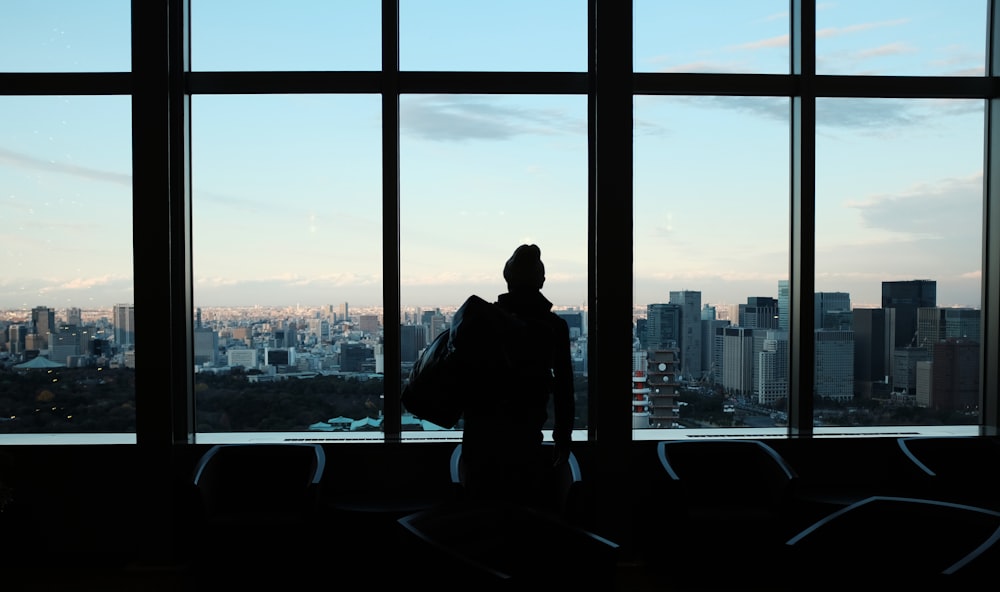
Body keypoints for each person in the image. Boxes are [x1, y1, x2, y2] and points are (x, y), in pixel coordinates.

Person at [459, 244, 576, 509]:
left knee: (480, 512)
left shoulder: (483, 319)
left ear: (507, 279)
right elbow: (564, 387)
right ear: (541, 281)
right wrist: (563, 436)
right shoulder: (553, 327)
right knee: (522, 513)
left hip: (480, 432)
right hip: (525, 432)